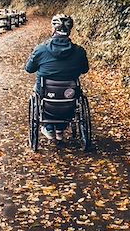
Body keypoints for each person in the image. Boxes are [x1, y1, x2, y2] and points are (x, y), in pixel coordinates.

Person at [25, 14, 89, 142]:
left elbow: (29, 69)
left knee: (38, 91)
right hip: (69, 96)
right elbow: (84, 70)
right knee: (73, 93)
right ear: (69, 30)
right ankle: (60, 128)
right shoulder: (79, 51)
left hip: (47, 95)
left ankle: (49, 127)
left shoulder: (41, 49)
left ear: (54, 29)